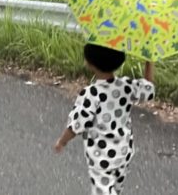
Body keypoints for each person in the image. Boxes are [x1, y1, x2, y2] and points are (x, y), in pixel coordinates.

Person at [54, 43, 155, 195]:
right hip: (123, 151)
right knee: (115, 188)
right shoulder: (126, 86)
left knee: (103, 190)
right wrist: (149, 61)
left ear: (89, 63)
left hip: (101, 157)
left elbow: (77, 124)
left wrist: (62, 141)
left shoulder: (91, 94)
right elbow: (148, 89)